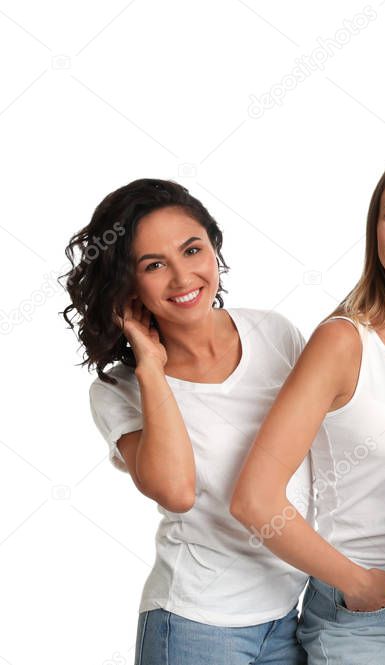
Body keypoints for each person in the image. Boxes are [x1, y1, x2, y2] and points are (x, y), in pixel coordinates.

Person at [230, 158, 385, 665]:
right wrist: (356, 583)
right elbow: (254, 499)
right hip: (362, 616)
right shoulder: (341, 342)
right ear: (374, 230)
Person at [63, 178, 311, 665]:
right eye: (154, 265)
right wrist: (151, 366)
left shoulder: (275, 333)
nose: (182, 278)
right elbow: (176, 490)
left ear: (213, 249)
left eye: (192, 250)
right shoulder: (120, 390)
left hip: (290, 616)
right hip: (196, 627)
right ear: (127, 285)